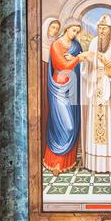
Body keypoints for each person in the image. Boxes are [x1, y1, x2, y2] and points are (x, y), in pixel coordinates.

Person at [43, 18, 91, 176]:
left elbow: (82, 65)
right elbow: (62, 66)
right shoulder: (56, 45)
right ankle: (55, 162)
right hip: (59, 89)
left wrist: (79, 59)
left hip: (73, 89)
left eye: (77, 31)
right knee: (63, 125)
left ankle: (67, 162)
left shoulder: (76, 46)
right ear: (67, 28)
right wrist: (78, 59)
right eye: (73, 30)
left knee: (73, 124)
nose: (75, 34)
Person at [81, 13, 111, 172]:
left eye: (104, 28)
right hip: (95, 82)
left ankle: (110, 162)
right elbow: (88, 63)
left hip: (108, 84)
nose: (101, 30)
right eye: (99, 27)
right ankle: (93, 161)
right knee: (95, 121)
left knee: (108, 120)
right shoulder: (93, 42)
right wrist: (86, 62)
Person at [41, 18, 61, 157]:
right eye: (52, 27)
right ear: (46, 28)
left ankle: (50, 149)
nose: (54, 31)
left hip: (53, 81)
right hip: (42, 79)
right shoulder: (39, 45)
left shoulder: (56, 45)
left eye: (56, 29)